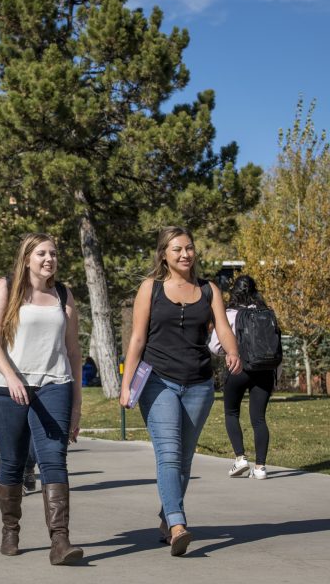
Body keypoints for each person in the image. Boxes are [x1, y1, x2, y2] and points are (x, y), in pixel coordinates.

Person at [120, 226, 242, 557]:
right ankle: (177, 524)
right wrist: (126, 384)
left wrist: (232, 351)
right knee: (169, 453)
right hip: (157, 380)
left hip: (199, 383)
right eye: (177, 250)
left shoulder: (209, 290)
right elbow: (137, 339)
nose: (185, 254)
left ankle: (166, 517)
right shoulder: (151, 288)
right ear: (164, 255)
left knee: (185, 457)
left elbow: (224, 329)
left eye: (189, 248)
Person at [0, 233, 83, 565]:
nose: (49, 259)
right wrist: (11, 377)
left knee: (54, 458)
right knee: (12, 459)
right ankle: (11, 529)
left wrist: (77, 404)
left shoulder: (63, 296)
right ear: (27, 259)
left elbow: (73, 352)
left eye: (53, 253)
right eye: (41, 253)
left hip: (54, 384)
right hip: (3, 385)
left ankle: (60, 541)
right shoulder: (6, 289)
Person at [209, 275, 280, 481]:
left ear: (235, 292)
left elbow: (214, 346)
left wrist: (230, 352)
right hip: (265, 371)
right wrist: (276, 373)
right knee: (258, 418)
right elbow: (276, 346)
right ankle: (260, 468)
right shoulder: (267, 314)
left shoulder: (230, 314)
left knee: (231, 412)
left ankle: (240, 459)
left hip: (238, 369)